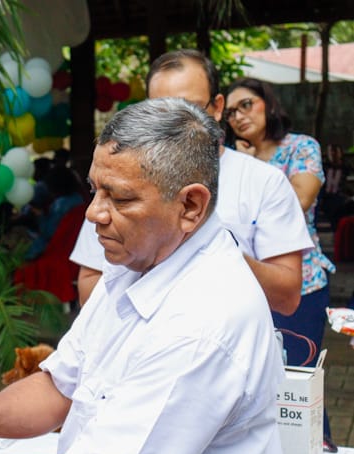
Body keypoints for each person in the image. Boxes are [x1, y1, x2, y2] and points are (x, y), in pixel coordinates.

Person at [0, 97, 285, 454]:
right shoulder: (137, 265)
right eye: (95, 190)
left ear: (190, 206)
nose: (94, 213)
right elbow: (62, 385)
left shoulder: (203, 321)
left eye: (121, 198)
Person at [71, 50, 311, 316]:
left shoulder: (264, 181)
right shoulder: (119, 182)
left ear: (217, 107)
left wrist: (213, 249)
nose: (174, 126)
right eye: (161, 111)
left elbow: (287, 297)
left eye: (190, 109)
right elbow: (89, 285)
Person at [224, 77, 338, 453]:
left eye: (247, 104)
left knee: (297, 379)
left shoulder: (300, 147)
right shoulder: (228, 159)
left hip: (299, 284)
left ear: (268, 104)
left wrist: (252, 165)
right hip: (244, 286)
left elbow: (300, 199)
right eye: (230, 112)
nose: (238, 117)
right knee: (253, 382)